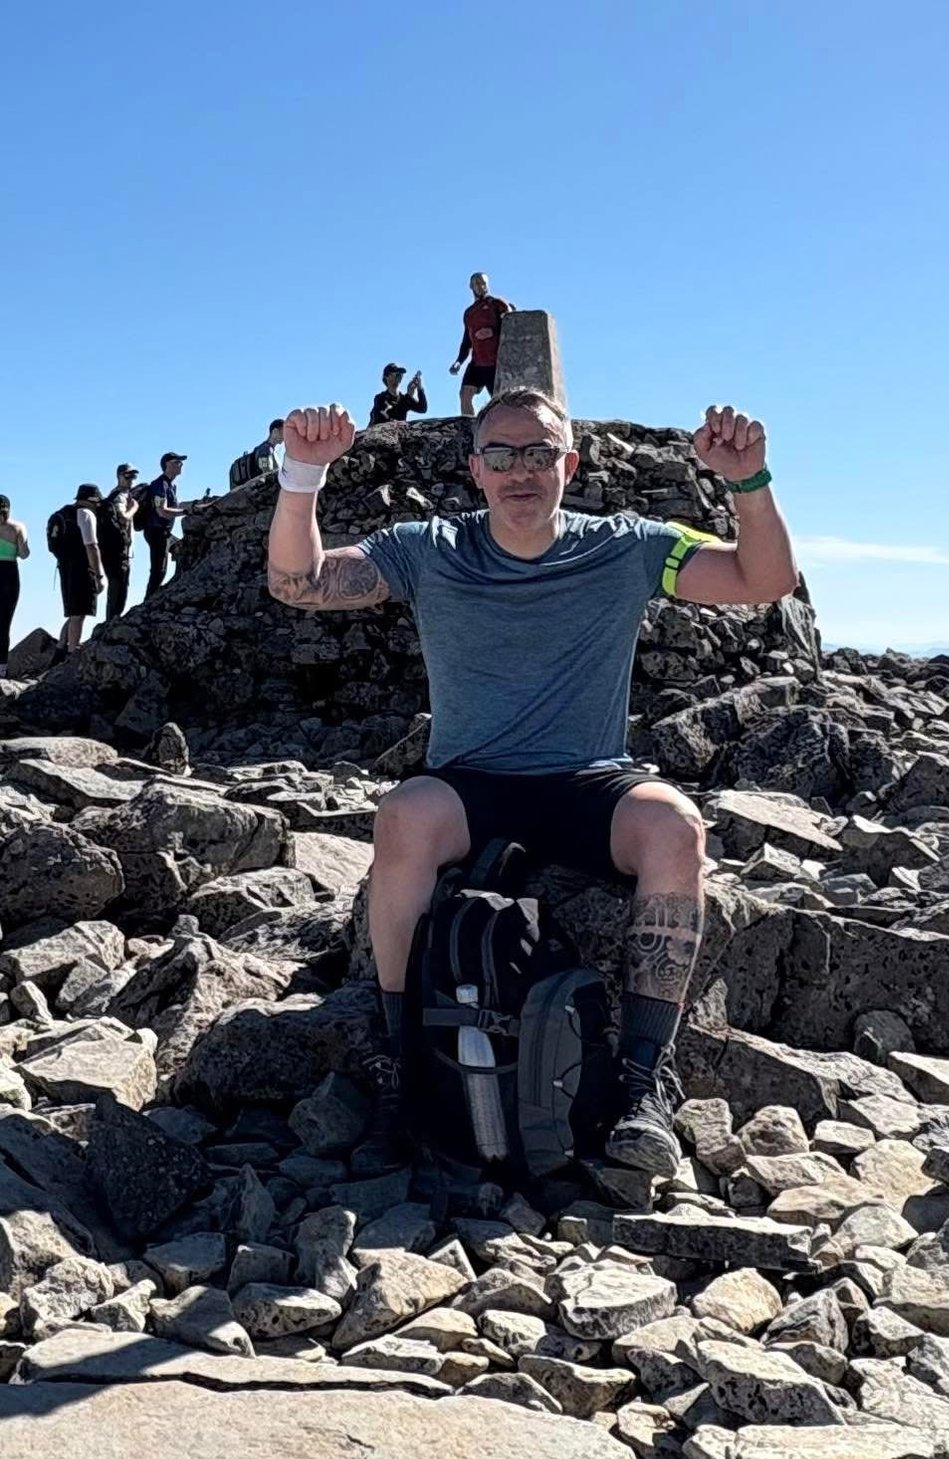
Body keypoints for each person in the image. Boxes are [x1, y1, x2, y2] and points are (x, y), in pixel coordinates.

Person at [268, 392, 798, 1178]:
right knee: (404, 815)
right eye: (502, 454)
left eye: (540, 453)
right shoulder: (429, 548)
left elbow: (764, 580)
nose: (521, 470)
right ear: (476, 469)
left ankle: (642, 1081)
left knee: (676, 827)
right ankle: (403, 1065)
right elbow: (298, 582)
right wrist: (304, 472)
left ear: (569, 465)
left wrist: (748, 482)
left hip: (588, 779)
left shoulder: (628, 547)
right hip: (471, 782)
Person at [449, 273, 513, 417]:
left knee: (499, 402)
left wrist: (493, 331)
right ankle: (470, 426)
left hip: (495, 363)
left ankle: (499, 427)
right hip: (477, 363)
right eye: (477, 283)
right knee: (465, 395)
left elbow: (513, 325)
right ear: (471, 287)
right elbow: (467, 341)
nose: (481, 286)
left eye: (483, 283)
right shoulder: (469, 313)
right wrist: (459, 362)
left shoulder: (497, 304)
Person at [53, 483, 105, 659]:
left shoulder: (64, 513)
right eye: (97, 502)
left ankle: (60, 648)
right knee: (79, 613)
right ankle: (72, 653)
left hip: (64, 566)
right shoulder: (86, 514)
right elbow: (91, 546)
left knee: (73, 610)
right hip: (82, 568)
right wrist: (99, 575)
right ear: (92, 500)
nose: (98, 505)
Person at [97, 463, 140, 620]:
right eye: (128, 476)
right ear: (119, 477)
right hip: (118, 550)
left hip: (110, 549)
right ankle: (112, 621)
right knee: (119, 586)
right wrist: (134, 507)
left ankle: (112, 620)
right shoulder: (120, 496)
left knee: (117, 586)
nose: (131, 480)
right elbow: (123, 517)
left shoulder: (115, 495)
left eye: (133, 477)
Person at [145, 452, 186, 598]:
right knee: (159, 570)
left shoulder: (170, 485)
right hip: (157, 531)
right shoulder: (160, 484)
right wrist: (186, 512)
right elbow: (162, 511)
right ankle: (149, 602)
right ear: (167, 464)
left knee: (182, 550)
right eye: (177, 462)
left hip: (164, 532)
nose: (181, 465)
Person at [0, 494, 30, 678]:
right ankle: (1, 669)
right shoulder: (17, 527)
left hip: (7, 574)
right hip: (9, 574)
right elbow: (24, 554)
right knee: (4, 624)